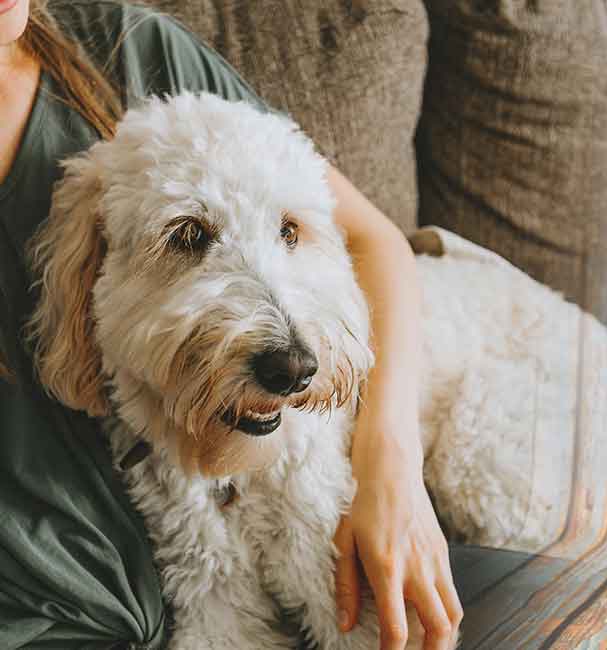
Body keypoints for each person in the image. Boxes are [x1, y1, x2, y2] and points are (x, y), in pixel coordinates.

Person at [0, 1, 461, 648]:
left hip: (190, 575)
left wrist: (390, 464)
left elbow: (368, 241)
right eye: (189, 236)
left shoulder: (130, 48)